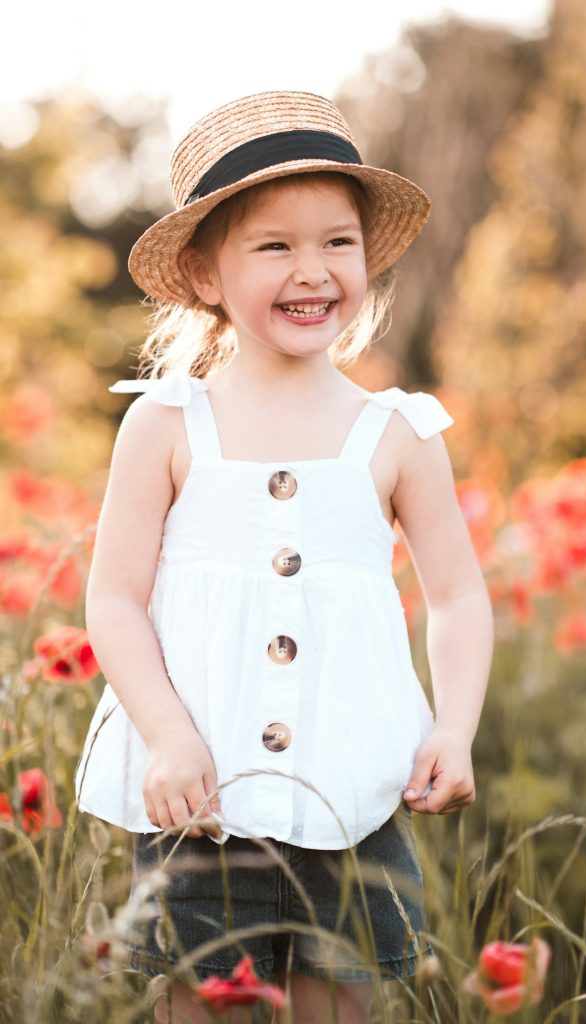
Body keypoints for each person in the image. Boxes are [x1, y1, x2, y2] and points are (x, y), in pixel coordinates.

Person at [74, 90, 494, 1024]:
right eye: (275, 246)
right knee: (202, 1005)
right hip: (203, 799)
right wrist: (169, 733)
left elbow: (459, 598)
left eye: (337, 242)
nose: (313, 270)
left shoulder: (396, 432)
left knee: (339, 1007)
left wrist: (453, 729)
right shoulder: (167, 425)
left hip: (354, 797)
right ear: (205, 272)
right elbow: (114, 599)